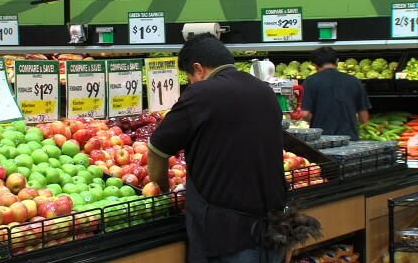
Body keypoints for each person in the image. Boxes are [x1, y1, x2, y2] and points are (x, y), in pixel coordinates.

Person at [147, 33, 287, 263]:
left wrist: (163, 191)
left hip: (226, 236)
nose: (190, 83)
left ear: (198, 68)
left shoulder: (202, 94)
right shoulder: (265, 92)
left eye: (189, 77)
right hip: (273, 228)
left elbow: (157, 149)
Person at [301, 47, 371, 141]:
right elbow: (364, 118)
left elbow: (305, 114)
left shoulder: (309, 82)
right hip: (350, 140)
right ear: (337, 61)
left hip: (322, 141)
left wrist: (317, 118)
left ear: (314, 65)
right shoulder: (354, 81)